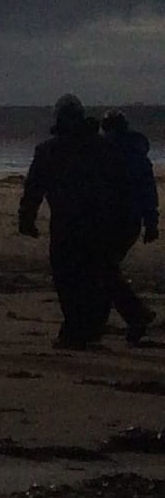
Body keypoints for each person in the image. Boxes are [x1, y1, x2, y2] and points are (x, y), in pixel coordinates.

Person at [18, 95, 130, 348]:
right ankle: (88, 329)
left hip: (67, 224)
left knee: (68, 278)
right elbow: (120, 187)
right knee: (94, 276)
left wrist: (27, 218)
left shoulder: (49, 150)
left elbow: (34, 188)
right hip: (100, 223)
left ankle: (77, 328)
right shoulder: (103, 148)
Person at [105, 109, 158, 347]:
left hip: (114, 220)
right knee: (106, 269)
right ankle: (133, 315)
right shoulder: (138, 156)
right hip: (131, 222)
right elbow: (148, 192)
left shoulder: (107, 153)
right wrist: (151, 223)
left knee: (104, 270)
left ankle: (136, 315)